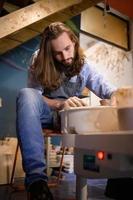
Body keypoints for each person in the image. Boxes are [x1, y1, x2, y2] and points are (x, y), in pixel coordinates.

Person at [16, 22, 116, 200]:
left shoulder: (86, 66)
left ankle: (118, 178)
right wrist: (59, 104)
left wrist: (115, 97)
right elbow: (35, 97)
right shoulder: (38, 60)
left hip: (71, 117)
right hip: (48, 113)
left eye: (68, 48)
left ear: (74, 42)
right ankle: (37, 183)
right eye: (58, 53)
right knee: (25, 94)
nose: (65, 56)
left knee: (112, 109)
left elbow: (110, 90)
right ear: (49, 53)